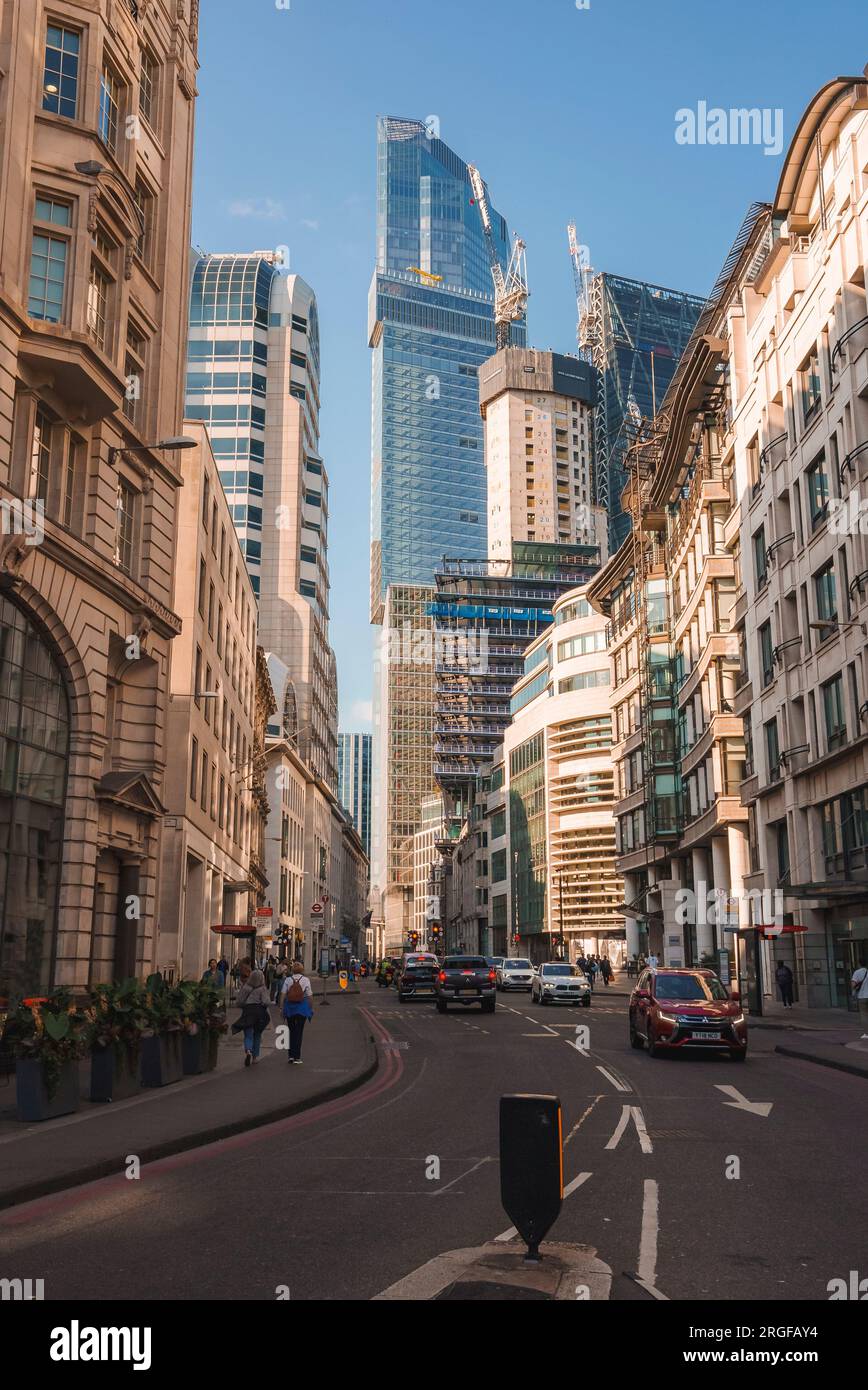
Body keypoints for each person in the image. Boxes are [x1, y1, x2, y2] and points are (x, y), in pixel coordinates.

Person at [281, 959, 314, 1064]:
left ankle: (290, 1056)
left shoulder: (288, 980)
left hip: (290, 1008)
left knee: (291, 1031)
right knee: (299, 1032)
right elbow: (310, 996)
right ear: (302, 969)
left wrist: (281, 1007)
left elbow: (282, 995)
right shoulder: (305, 980)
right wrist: (310, 1007)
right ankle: (297, 1057)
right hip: (302, 1008)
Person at [236, 968, 270, 1066]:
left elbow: (239, 1001)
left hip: (248, 1012)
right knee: (257, 1034)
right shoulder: (263, 988)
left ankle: (248, 1051)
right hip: (259, 1013)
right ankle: (255, 1057)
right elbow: (266, 1002)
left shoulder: (246, 987)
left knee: (248, 1034)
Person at [850, 960, 868, 1031]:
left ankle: (867, 1033)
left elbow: (853, 984)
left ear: (859, 964)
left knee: (864, 1014)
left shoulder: (857, 972)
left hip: (862, 996)